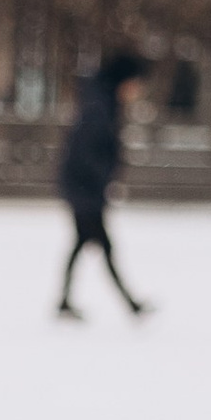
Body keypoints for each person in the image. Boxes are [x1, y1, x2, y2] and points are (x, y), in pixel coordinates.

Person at [54, 45, 150, 318]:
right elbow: (88, 150)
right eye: (136, 83)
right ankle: (130, 304)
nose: (137, 90)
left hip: (83, 186)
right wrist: (104, 177)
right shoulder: (100, 104)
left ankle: (65, 301)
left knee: (84, 243)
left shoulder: (102, 99)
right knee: (103, 246)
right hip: (84, 188)